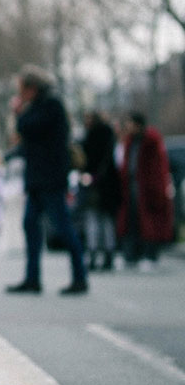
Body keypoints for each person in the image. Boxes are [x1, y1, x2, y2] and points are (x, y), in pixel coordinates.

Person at [6, 64, 88, 295]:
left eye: (21, 88)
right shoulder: (41, 105)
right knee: (30, 224)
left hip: (50, 177)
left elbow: (28, 128)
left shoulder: (50, 104)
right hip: (38, 177)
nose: (19, 93)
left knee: (62, 226)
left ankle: (79, 276)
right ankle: (32, 277)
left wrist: (19, 112)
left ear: (32, 87)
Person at [117, 112, 173, 269]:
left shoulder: (151, 141)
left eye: (129, 123)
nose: (127, 127)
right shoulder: (130, 142)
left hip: (147, 189)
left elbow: (158, 168)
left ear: (137, 124)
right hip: (132, 187)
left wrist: (156, 189)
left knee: (149, 223)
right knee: (132, 221)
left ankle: (150, 255)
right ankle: (132, 255)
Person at [79, 111, 120, 271]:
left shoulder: (90, 138)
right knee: (106, 220)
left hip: (95, 183)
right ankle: (108, 253)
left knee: (94, 219)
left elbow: (87, 160)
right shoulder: (108, 136)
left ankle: (95, 253)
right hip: (107, 184)